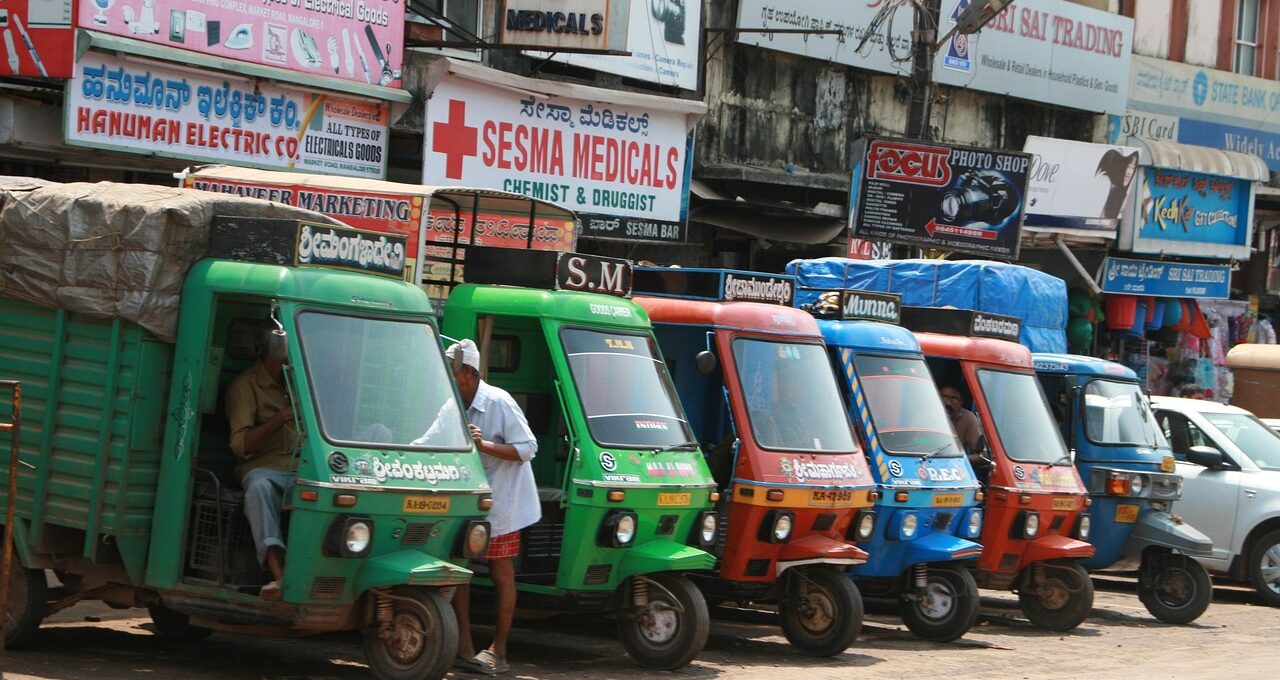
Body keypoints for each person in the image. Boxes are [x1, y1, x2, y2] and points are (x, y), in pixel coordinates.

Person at [444, 339, 539, 676]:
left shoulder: (499, 401)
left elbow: (528, 448)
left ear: (469, 373)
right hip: (468, 502)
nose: (449, 376)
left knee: (501, 573)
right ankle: (464, 648)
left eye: (454, 371)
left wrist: (484, 445)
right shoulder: (452, 403)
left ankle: (499, 650)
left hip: (503, 503)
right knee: (459, 571)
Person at [226, 321, 298, 601]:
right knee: (259, 488)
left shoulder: (296, 383)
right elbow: (240, 445)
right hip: (266, 469)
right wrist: (279, 419)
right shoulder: (245, 386)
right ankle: (279, 576)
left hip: (302, 466)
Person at [939, 383, 984, 468]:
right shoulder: (926, 416)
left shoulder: (968, 418)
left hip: (955, 468)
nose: (948, 403)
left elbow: (982, 455)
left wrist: (959, 459)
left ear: (961, 402)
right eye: (944, 397)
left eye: (954, 398)